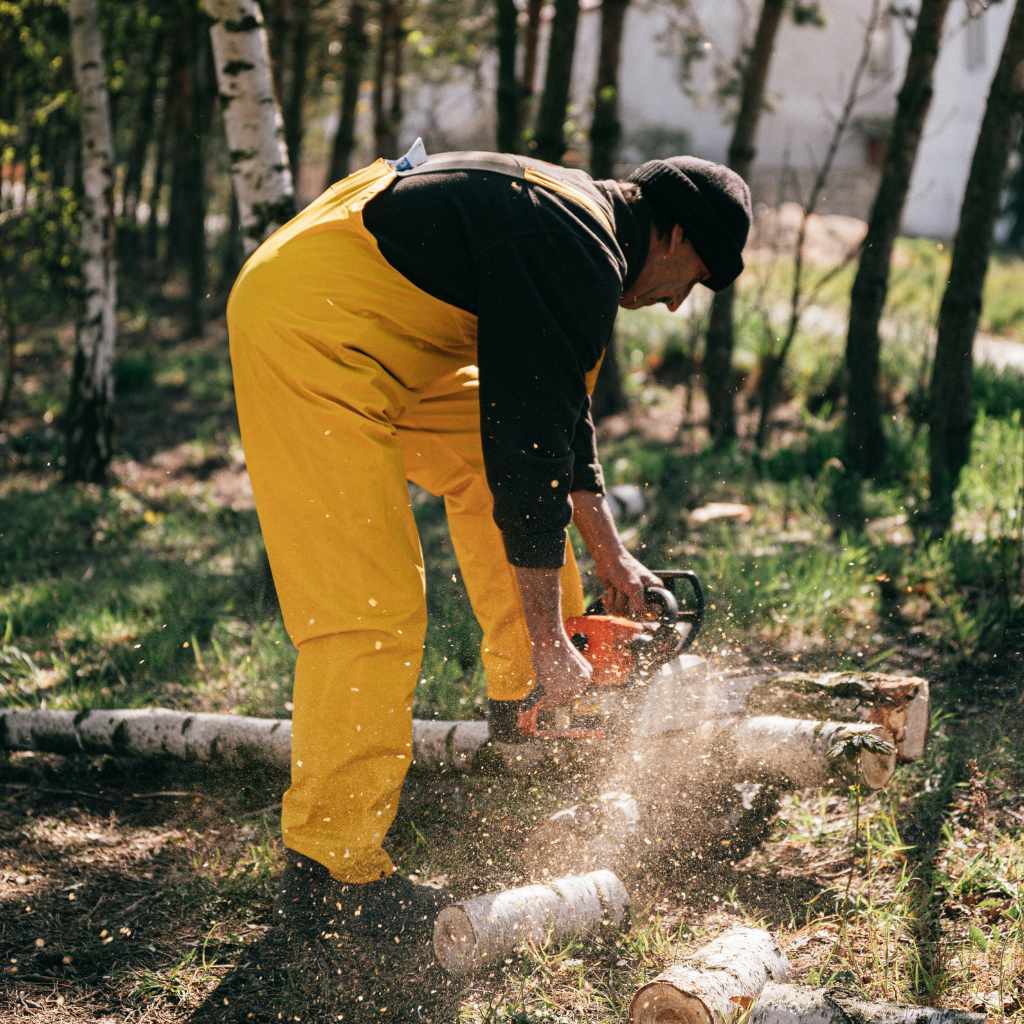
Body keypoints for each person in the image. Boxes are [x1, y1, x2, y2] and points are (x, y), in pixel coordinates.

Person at [225, 145, 751, 948]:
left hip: (376, 319)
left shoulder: (584, 231)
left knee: (481, 460)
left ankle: (533, 700)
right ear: (675, 234)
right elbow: (527, 458)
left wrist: (611, 555)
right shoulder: (578, 250)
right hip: (313, 331)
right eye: (698, 278)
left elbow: (560, 416)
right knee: (370, 611)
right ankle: (330, 871)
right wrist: (548, 631)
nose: (681, 304)